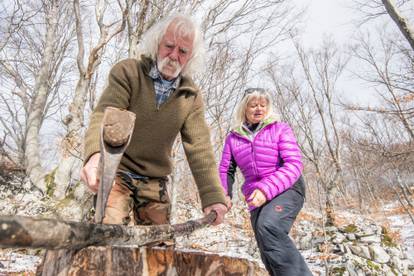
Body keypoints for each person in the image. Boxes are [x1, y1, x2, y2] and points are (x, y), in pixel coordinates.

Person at [80, 13, 227, 227]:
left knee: (159, 247)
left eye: (183, 51)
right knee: (108, 233)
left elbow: (200, 148)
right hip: (117, 171)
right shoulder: (128, 72)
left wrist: (213, 196)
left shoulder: (190, 95)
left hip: (154, 179)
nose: (174, 55)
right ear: (157, 43)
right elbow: (105, 114)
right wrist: (94, 157)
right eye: (169, 46)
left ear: (191, 56)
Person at [218, 88, 312, 275]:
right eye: (253, 105)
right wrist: (223, 197)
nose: (259, 109)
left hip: (288, 188)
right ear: (244, 108)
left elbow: (294, 164)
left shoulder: (279, 129)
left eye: (263, 105)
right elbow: (226, 169)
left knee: (268, 226)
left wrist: (265, 190)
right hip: (255, 196)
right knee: (266, 245)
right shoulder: (233, 137)